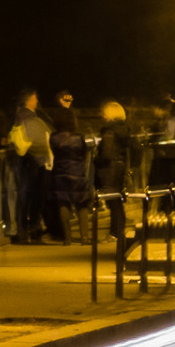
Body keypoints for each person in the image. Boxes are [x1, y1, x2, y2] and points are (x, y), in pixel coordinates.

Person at [5, 90, 53, 244]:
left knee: (25, 197)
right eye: (35, 98)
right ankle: (31, 230)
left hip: (26, 161)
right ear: (28, 101)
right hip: (33, 161)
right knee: (33, 197)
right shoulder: (29, 117)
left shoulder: (20, 117)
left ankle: (23, 231)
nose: (37, 101)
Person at [48, 117, 94, 243]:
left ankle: (67, 238)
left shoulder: (53, 138)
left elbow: (53, 151)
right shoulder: (78, 138)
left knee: (63, 203)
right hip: (77, 173)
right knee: (82, 204)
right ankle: (84, 236)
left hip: (60, 173)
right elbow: (83, 153)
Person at [95, 101, 136, 240]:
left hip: (109, 170)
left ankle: (115, 233)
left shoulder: (110, 132)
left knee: (113, 201)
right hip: (120, 168)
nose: (102, 115)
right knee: (117, 201)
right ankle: (118, 231)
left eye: (104, 113)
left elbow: (106, 154)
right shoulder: (124, 130)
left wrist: (96, 160)